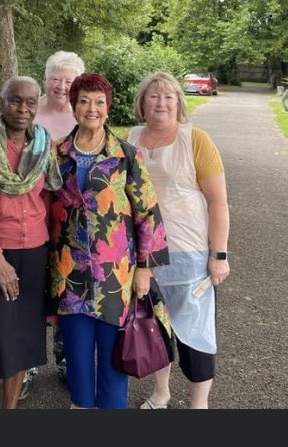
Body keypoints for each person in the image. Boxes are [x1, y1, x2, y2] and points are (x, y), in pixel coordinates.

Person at [48, 72, 170, 409]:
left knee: (115, 364)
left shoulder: (126, 155)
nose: (92, 108)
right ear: (73, 106)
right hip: (69, 277)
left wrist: (145, 269)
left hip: (116, 278)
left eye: (99, 102)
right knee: (77, 363)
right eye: (84, 101)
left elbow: (148, 214)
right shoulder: (56, 154)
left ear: (108, 107)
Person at [127, 71, 230, 409]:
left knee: (196, 332)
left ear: (179, 103)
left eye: (169, 96)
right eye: (154, 96)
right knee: (157, 328)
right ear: (142, 103)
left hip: (190, 253)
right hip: (146, 254)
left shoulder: (195, 139)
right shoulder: (131, 139)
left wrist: (219, 254)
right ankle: (161, 392)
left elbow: (218, 201)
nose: (161, 102)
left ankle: (199, 403)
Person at [0, 76, 62, 408]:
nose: (23, 108)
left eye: (30, 102)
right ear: (2, 102)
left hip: (35, 252)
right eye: (15, 100)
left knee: (23, 339)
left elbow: (48, 199)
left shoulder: (44, 145)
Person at [22, 50, 85, 398]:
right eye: (56, 78)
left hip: (70, 223)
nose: (62, 86)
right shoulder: (31, 112)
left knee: (66, 292)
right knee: (31, 291)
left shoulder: (83, 116)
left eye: (69, 80)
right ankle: (27, 363)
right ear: (45, 78)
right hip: (31, 217)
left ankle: (65, 360)